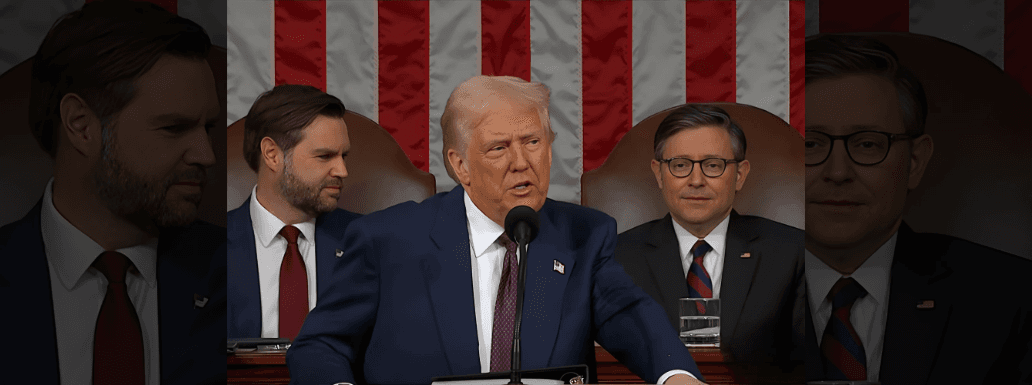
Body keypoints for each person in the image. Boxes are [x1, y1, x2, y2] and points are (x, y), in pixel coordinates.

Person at [287, 75, 706, 385]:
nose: (521, 162)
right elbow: (319, 346)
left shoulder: (584, 234)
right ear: (460, 165)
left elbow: (630, 314)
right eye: (499, 148)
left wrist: (676, 375)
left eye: (533, 142)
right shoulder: (388, 240)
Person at [0, 1, 225, 384]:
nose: (207, 155)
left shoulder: (236, 273)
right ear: (82, 126)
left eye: (208, 128)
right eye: (174, 128)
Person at [804, 34, 1032, 383]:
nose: (837, 172)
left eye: (867, 144)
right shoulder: (711, 296)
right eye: (810, 143)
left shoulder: (1013, 299)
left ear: (914, 162)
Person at [615, 104, 805, 366]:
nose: (696, 180)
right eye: (680, 165)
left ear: (740, 174)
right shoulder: (616, 257)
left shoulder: (792, 253)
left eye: (713, 165)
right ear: (659, 174)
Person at [227, 84, 360, 340]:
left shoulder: (363, 241)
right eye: (325, 156)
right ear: (272, 155)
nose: (342, 171)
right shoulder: (211, 248)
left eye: (344, 156)